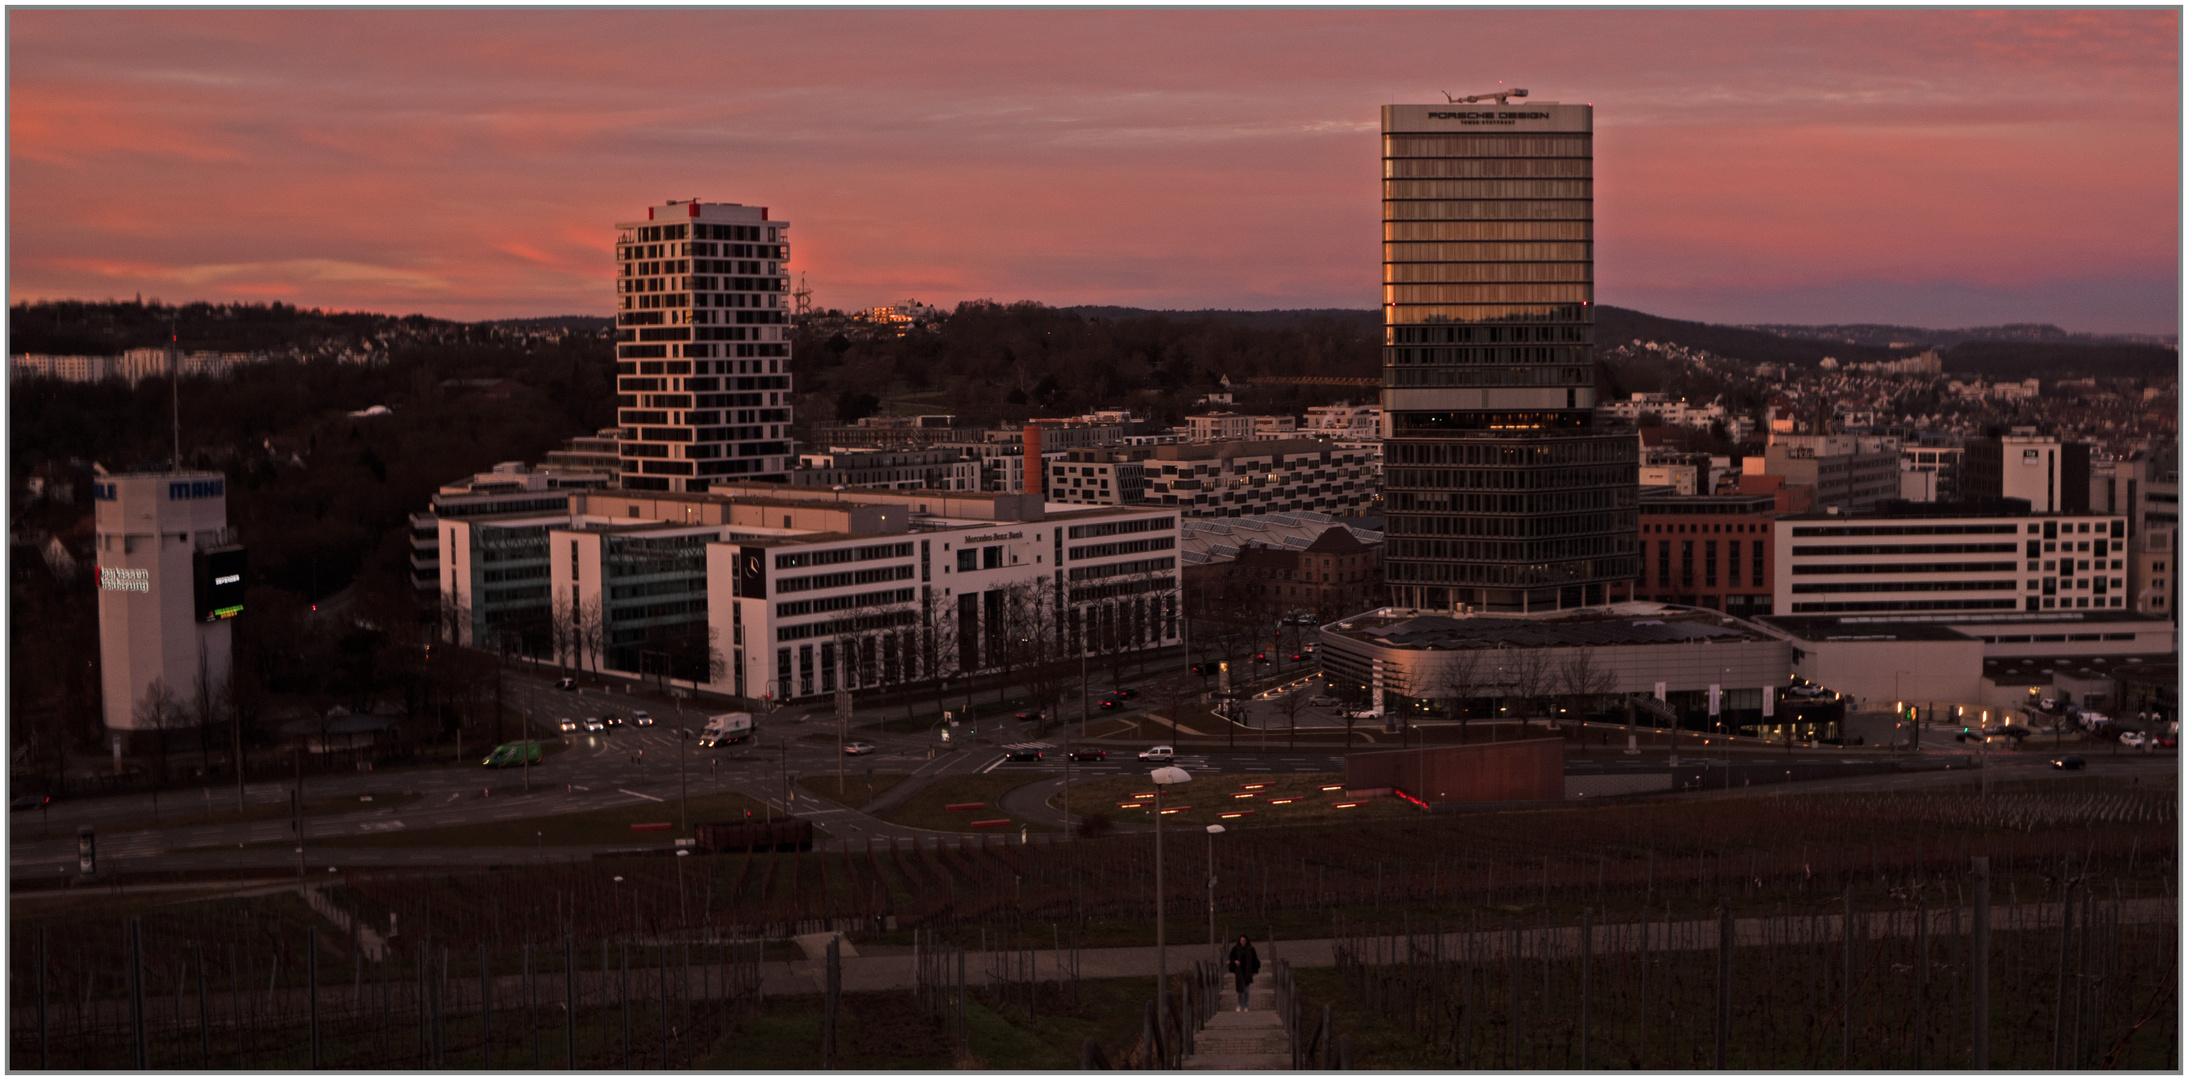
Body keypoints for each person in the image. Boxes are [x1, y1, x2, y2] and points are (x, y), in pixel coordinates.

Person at [1226, 934, 1260, 1012]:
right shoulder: (1236, 948)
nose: (1243, 942)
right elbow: (1231, 957)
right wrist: (1235, 961)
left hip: (1248, 971)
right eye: (1241, 940)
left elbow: (1255, 960)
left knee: (1247, 990)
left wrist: (1255, 970)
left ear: (1247, 941)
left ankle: (1245, 1005)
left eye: (1244, 940)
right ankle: (1239, 1004)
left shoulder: (1251, 949)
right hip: (1239, 971)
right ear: (1239, 941)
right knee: (1240, 989)